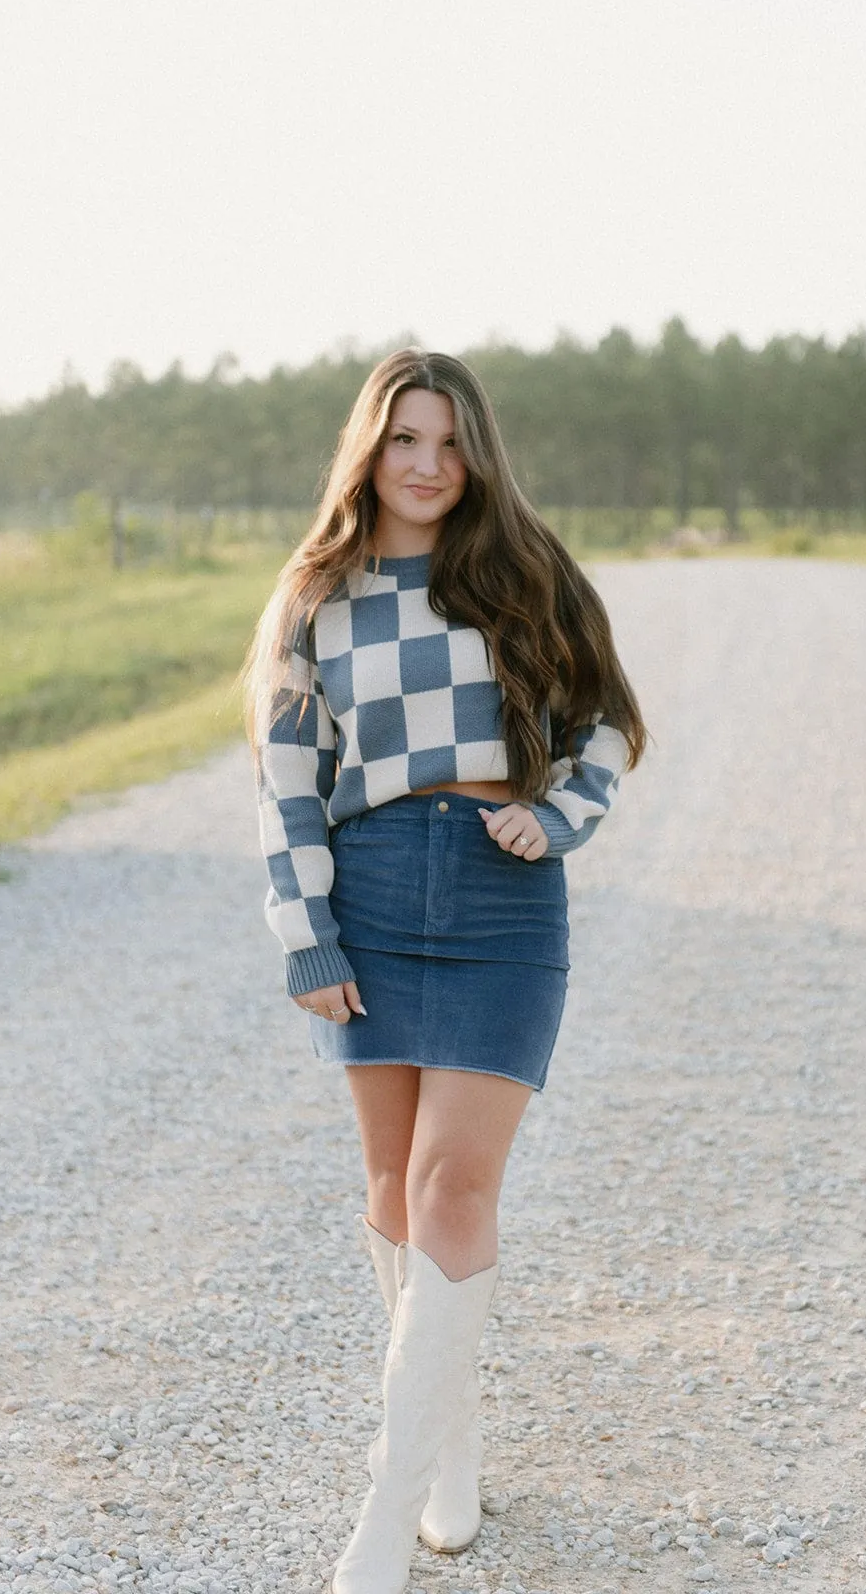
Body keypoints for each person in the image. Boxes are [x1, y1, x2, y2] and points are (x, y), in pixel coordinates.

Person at [240, 347, 646, 1594]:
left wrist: (559, 814)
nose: (428, 464)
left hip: (498, 894)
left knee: (452, 1184)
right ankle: (447, 1451)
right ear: (370, 448)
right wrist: (306, 928)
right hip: (366, 889)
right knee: (390, 1190)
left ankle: (382, 1520)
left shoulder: (526, 572)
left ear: (479, 454)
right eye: (405, 438)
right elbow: (287, 780)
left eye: (450, 441)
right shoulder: (316, 594)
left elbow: (612, 723)